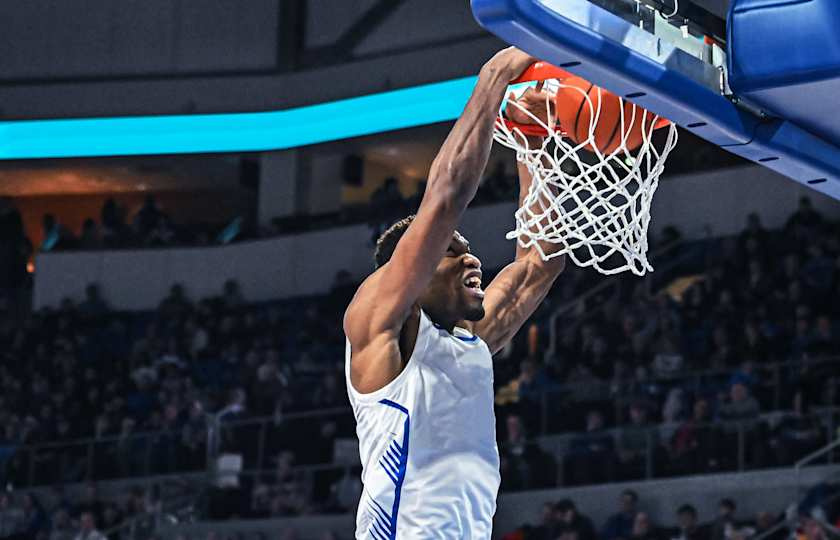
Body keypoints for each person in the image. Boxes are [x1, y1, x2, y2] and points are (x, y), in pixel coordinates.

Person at [343, 47, 567, 538]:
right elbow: (445, 200)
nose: (472, 259)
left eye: (467, 250)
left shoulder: (470, 343)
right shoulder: (378, 324)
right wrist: (496, 76)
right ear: (411, 271)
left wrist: (532, 140)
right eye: (451, 251)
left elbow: (541, 260)